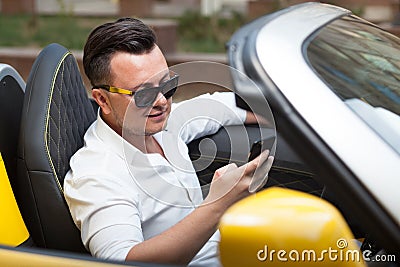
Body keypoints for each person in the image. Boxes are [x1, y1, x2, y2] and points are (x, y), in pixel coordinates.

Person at [64, 17, 272, 266]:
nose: (162, 101)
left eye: (168, 85)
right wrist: (218, 204)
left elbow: (214, 107)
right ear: (102, 100)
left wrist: (281, 117)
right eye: (143, 94)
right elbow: (121, 261)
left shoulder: (160, 123)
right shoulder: (97, 175)